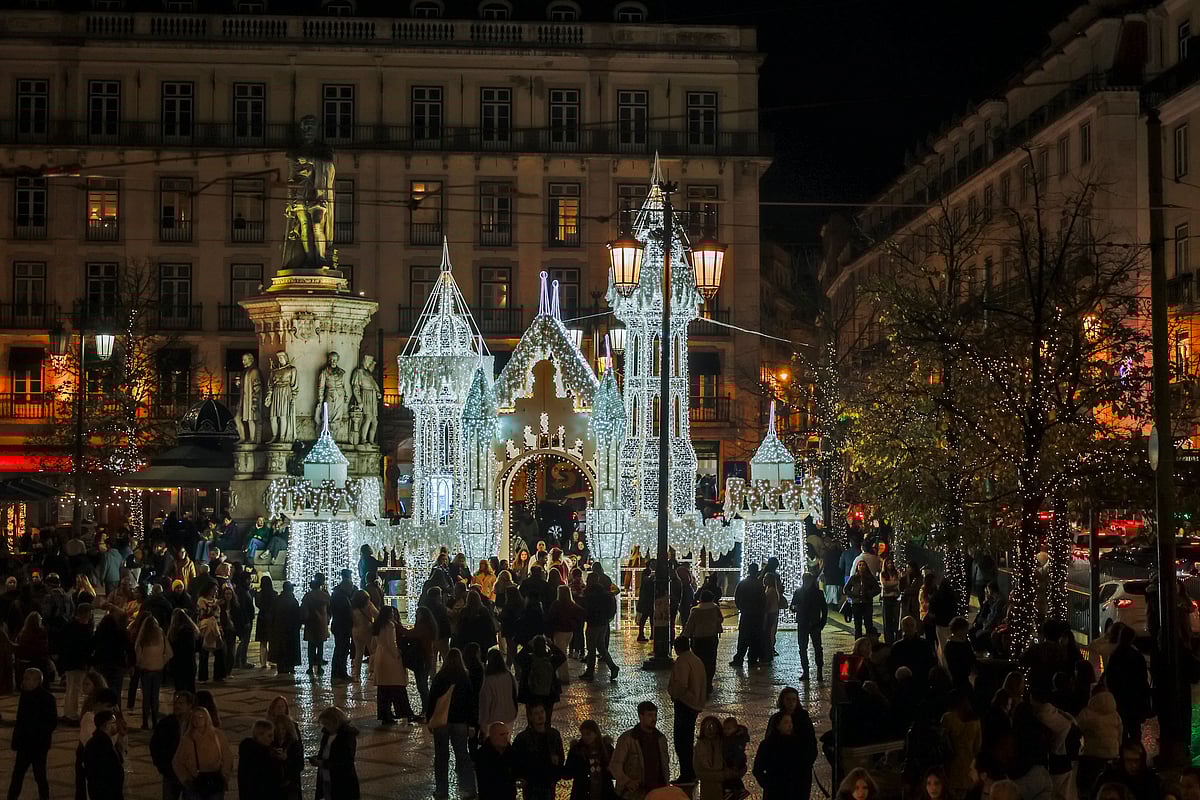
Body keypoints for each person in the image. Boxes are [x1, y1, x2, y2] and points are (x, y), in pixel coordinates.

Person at [429, 648, 478, 800]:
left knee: (441, 757)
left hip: (441, 722)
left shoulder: (440, 677)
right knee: (462, 755)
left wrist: (430, 719)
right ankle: (469, 789)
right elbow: (471, 703)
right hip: (460, 722)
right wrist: (472, 724)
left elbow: (432, 700)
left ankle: (442, 790)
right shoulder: (465, 678)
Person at [7, 667, 57, 800]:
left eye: (28, 679)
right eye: (25, 678)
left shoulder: (47, 698)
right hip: (25, 743)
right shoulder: (25, 695)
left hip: (38, 745)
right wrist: (16, 741)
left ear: (37, 681)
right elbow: (20, 720)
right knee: (18, 775)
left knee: (39, 775)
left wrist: (38, 736)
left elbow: (51, 723)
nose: (24, 681)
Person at [667, 636, 707, 785]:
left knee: (681, 741)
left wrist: (674, 694)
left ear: (676, 648)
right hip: (695, 703)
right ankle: (691, 772)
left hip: (685, 703)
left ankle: (686, 774)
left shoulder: (682, 662)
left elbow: (681, 684)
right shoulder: (696, 659)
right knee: (688, 740)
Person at [611, 701, 670, 800]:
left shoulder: (661, 739)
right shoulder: (627, 739)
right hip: (633, 794)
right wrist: (627, 782)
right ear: (641, 716)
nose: (654, 719)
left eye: (655, 715)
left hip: (657, 792)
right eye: (650, 715)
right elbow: (615, 765)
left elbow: (665, 765)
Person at [172, 707, 233, 800]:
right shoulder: (187, 739)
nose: (197, 720)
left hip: (215, 781)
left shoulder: (217, 735)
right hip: (195, 783)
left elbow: (227, 756)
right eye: (194, 717)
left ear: (207, 718)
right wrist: (186, 780)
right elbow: (177, 761)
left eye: (200, 717)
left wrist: (225, 775)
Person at [370, 606, 416, 725]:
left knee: (383, 688)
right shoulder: (389, 625)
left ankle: (385, 714)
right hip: (390, 658)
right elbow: (391, 643)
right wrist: (397, 654)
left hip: (380, 655)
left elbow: (374, 643)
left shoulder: (378, 625)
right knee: (397, 685)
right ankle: (404, 712)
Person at [1103, 624, 1150, 742]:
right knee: (1135, 730)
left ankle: (1122, 749)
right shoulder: (1137, 656)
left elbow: (1110, 677)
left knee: (1121, 730)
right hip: (1134, 698)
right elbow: (1142, 679)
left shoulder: (1115, 655)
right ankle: (1136, 749)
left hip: (1120, 698)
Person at [752, 712, 814, 800]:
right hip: (775, 793)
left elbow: (804, 768)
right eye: (786, 722)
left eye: (791, 722)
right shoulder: (768, 744)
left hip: (795, 792)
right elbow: (757, 769)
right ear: (777, 725)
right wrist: (769, 785)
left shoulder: (798, 744)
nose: (790, 725)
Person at [512, 703, 566, 800]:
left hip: (548, 783)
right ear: (531, 717)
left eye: (542, 712)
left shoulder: (554, 735)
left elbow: (561, 756)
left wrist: (556, 770)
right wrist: (521, 777)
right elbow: (515, 760)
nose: (540, 716)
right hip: (531, 785)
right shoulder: (523, 738)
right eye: (536, 713)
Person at [1078, 688, 1122, 798]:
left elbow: (1077, 728)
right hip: (1112, 753)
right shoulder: (1115, 714)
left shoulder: (1087, 713)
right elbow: (1120, 733)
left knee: (1089, 785)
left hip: (1093, 754)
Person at [151, 691, 194, 800]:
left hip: (190, 774)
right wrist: (162, 766)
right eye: (176, 703)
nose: (177, 706)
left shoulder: (195, 724)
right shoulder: (165, 723)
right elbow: (155, 745)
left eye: (181, 703)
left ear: (189, 705)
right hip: (171, 773)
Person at [310, 706, 360, 800]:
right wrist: (318, 759)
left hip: (342, 781)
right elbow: (325, 752)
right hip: (326, 778)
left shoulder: (347, 736)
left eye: (327, 724)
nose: (326, 726)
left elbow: (346, 761)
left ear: (336, 722)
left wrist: (324, 763)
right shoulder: (327, 734)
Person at [134, 614, 173, 729]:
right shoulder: (160, 634)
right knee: (155, 696)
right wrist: (162, 661)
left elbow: (137, 653)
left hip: (145, 670)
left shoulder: (143, 636)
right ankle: (155, 721)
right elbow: (169, 653)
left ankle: (145, 722)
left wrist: (140, 663)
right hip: (157, 669)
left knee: (146, 696)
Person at [517, 634, 566, 722]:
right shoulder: (551, 660)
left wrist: (528, 646)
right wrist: (552, 645)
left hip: (531, 694)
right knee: (547, 718)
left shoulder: (528, 660)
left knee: (532, 718)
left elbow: (518, 658)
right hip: (548, 694)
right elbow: (562, 657)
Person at [581, 572, 619, 683]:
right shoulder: (605, 593)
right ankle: (612, 666)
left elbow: (587, 608)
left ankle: (590, 671)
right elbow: (611, 606)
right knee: (601, 647)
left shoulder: (589, 594)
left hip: (593, 623)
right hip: (603, 623)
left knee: (591, 648)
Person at [564, 719, 616, 800]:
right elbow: (567, 773)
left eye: (588, 734)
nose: (585, 737)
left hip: (604, 792)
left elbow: (614, 772)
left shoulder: (607, 749)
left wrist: (610, 770)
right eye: (583, 734)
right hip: (582, 793)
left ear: (596, 734)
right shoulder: (576, 750)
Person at [60, 603, 95, 722]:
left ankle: (68, 711)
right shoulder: (83, 629)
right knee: (75, 689)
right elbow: (86, 647)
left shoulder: (70, 626)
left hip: (71, 661)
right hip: (78, 662)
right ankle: (72, 713)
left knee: (71, 688)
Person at [790, 572, 827, 682]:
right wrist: (795, 608)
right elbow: (792, 606)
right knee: (804, 648)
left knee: (816, 648)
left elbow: (824, 609)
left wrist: (822, 623)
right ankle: (807, 671)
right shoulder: (799, 592)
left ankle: (817, 670)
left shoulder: (817, 593)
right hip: (804, 623)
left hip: (813, 623)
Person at [1093, 741, 1161, 800]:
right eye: (1128, 760)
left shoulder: (1150, 780)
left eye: (1136, 760)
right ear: (1122, 760)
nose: (1133, 765)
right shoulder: (1109, 778)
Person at [267, 697, 304, 800]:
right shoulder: (268, 728)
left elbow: (299, 759)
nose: (280, 709)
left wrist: (287, 759)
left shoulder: (293, 732)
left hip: (291, 783)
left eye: (282, 706)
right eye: (278, 707)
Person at [729, 564, 766, 668]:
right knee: (755, 639)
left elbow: (737, 597)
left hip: (746, 614)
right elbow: (763, 600)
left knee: (743, 638)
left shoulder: (743, 583)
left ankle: (739, 658)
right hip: (757, 616)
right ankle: (752, 660)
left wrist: (742, 608)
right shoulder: (759, 584)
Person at [83, 709, 125, 800]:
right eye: (113, 722)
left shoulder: (103, 741)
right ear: (107, 725)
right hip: (105, 793)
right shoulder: (101, 745)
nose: (116, 725)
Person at [238, 720, 284, 800]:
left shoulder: (261, 753)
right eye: (269, 736)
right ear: (260, 735)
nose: (272, 739)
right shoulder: (256, 755)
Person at [475, 722, 519, 800]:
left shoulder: (510, 751)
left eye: (507, 734)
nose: (506, 737)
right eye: (502, 734)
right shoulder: (483, 755)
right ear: (492, 736)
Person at [479, 648, 519, 733]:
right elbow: (515, 692)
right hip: (510, 715)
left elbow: (486, 702)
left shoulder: (489, 680)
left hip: (494, 719)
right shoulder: (509, 675)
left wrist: (483, 721)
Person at [301, 574, 331, 677]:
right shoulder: (325, 595)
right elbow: (330, 608)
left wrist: (303, 620)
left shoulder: (308, 596)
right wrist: (327, 619)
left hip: (310, 623)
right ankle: (319, 667)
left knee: (311, 647)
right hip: (321, 624)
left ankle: (310, 667)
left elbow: (303, 609)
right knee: (320, 646)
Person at [329, 570, 356, 684]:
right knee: (341, 650)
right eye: (350, 588)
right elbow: (344, 613)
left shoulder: (339, 595)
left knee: (341, 650)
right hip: (342, 627)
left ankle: (339, 672)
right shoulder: (341, 597)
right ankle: (339, 673)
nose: (351, 590)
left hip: (340, 626)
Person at [270, 581, 302, 674]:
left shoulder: (278, 600)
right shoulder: (293, 601)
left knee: (281, 649)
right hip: (291, 630)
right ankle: (290, 667)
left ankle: (281, 667)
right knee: (291, 649)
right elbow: (297, 616)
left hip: (279, 629)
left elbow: (272, 615)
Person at [692, 716, 726, 800]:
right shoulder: (700, 747)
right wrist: (722, 775)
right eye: (707, 727)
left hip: (724, 789)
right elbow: (699, 771)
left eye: (712, 727)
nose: (710, 730)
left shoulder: (723, 744)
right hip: (707, 789)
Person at [845, 560, 880, 639]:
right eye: (859, 565)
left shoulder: (870, 578)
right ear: (857, 567)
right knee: (858, 625)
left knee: (868, 624)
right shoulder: (853, 578)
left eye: (863, 565)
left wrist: (869, 594)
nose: (861, 566)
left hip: (867, 603)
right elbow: (846, 589)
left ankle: (869, 641)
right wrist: (854, 595)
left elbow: (877, 589)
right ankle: (858, 642)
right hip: (856, 603)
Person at [349, 590, 377, 682]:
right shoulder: (368, 605)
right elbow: (377, 615)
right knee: (372, 651)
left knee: (358, 653)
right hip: (367, 629)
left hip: (355, 631)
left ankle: (357, 675)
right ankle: (371, 673)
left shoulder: (353, 608)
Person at [720, 717, 749, 800]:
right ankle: (735, 790)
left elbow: (738, 753)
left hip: (736, 762)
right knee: (732, 777)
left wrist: (735, 765)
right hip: (730, 761)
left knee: (732, 776)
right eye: (724, 728)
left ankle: (736, 790)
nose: (726, 731)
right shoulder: (728, 737)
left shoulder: (737, 739)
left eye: (728, 729)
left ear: (735, 728)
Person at [255, 576, 277, 669]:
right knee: (272, 641)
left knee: (263, 642)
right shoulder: (274, 594)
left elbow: (257, 604)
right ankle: (272, 661)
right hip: (271, 618)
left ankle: (263, 662)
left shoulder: (258, 594)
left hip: (262, 618)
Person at [879, 559, 901, 644]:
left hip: (895, 598)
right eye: (888, 563)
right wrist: (894, 584)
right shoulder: (883, 574)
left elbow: (898, 585)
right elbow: (884, 585)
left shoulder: (896, 573)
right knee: (887, 621)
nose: (890, 564)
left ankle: (896, 640)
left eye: (891, 563)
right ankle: (888, 641)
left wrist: (890, 586)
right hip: (886, 599)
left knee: (896, 620)